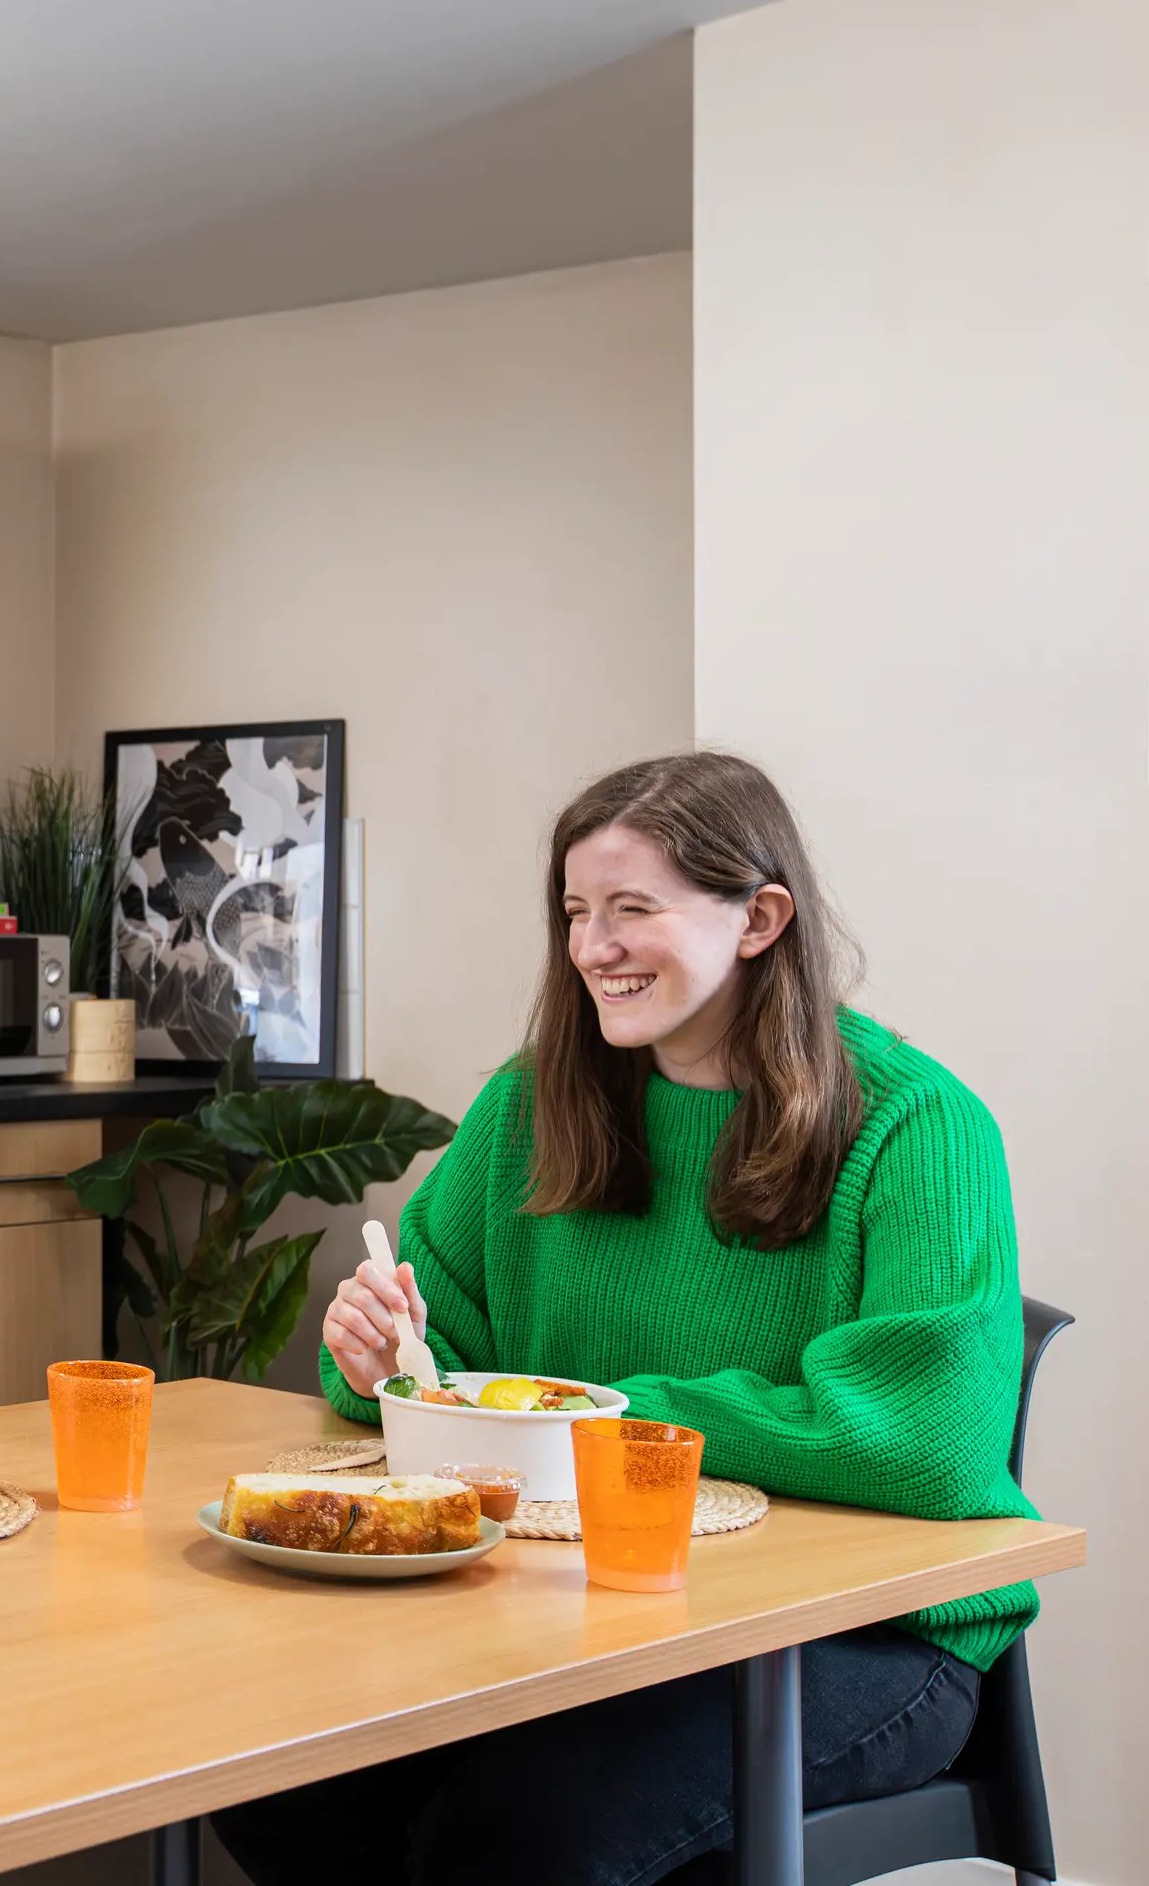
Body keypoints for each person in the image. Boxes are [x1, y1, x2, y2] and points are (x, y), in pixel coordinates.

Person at [215, 752, 1034, 1886]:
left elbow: (930, 1440)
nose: (592, 947)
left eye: (632, 910)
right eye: (575, 912)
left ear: (760, 918)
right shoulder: (533, 1101)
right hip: (587, 1614)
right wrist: (382, 1361)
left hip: (862, 1639)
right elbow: (439, 1360)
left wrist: (596, 1417)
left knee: (522, 1835)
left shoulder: (919, 1127)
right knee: (278, 1777)